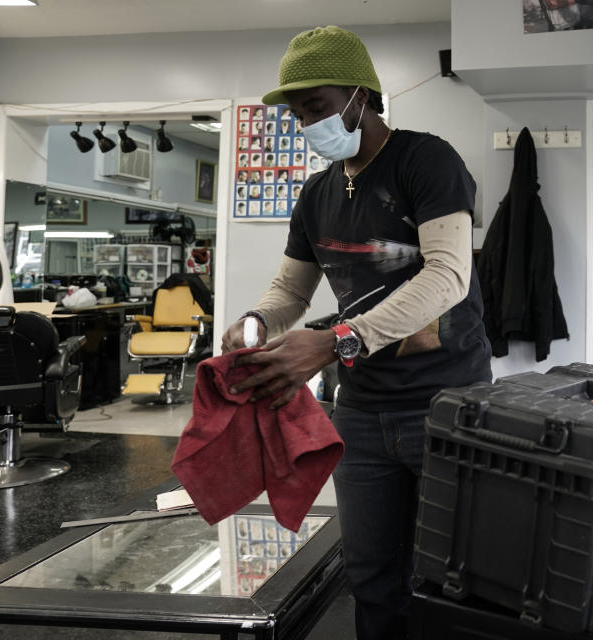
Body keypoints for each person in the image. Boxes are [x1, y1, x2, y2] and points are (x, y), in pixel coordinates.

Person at [220, 25, 492, 640]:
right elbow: (291, 292)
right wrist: (257, 324)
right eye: (297, 113)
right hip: (363, 414)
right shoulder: (316, 193)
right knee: (369, 574)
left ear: (361, 95)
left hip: (445, 404)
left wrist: (338, 341)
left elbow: (448, 276)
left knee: (450, 577)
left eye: (317, 107)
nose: (306, 123)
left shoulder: (427, 160)